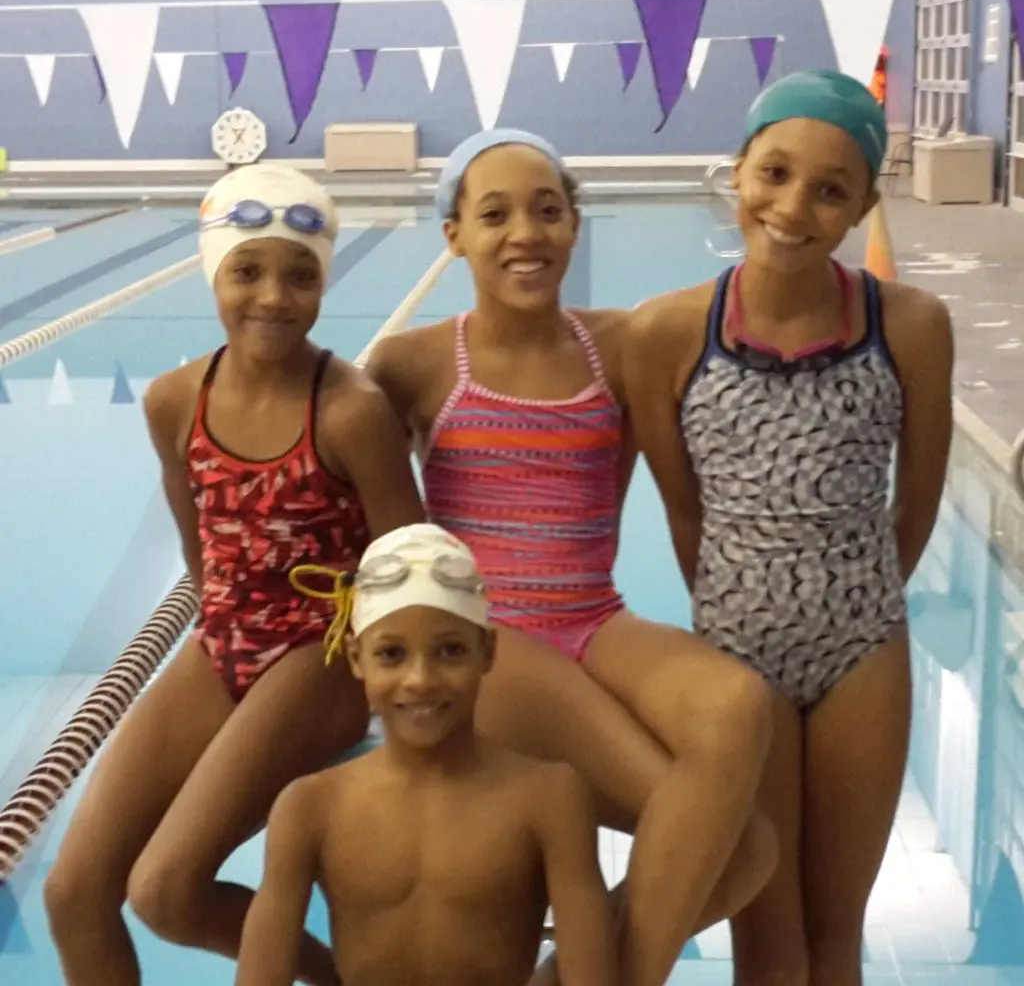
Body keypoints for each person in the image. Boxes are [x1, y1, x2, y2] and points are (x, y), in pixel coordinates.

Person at [366, 128, 778, 986]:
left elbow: (714, 379)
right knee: (720, 840)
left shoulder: (618, 346)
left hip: (594, 617)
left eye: (548, 210)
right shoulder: (414, 362)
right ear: (455, 237)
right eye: (496, 214)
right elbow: (347, 487)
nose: (526, 232)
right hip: (488, 636)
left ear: (575, 224)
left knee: (746, 814)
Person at [43, 162, 425, 986]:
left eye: (300, 274)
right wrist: (222, 654)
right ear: (214, 271)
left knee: (167, 892)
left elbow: (411, 576)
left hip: (322, 652)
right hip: (225, 642)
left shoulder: (350, 411)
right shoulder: (175, 401)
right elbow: (200, 554)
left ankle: (332, 977)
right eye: (247, 270)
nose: (272, 297)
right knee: (74, 892)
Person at [624, 70, 954, 986]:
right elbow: (680, 506)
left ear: (863, 206)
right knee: (766, 937)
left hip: (863, 648)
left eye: (830, 189)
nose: (794, 207)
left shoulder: (912, 326)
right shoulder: (666, 332)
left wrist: (856, 597)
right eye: (774, 173)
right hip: (735, 657)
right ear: (737, 172)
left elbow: (917, 504)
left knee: (835, 931)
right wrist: (738, 613)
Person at [236, 522, 617, 986]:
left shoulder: (549, 797)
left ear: (487, 652)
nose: (420, 680)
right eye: (392, 654)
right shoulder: (310, 808)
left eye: (450, 651)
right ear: (356, 658)